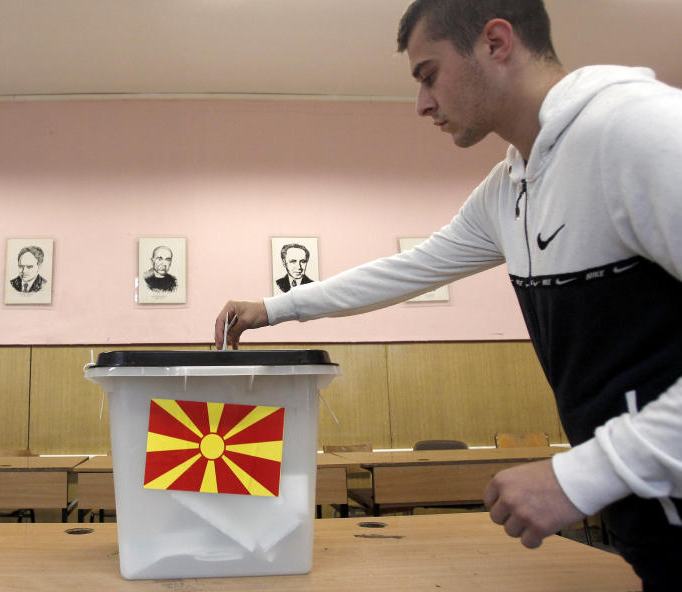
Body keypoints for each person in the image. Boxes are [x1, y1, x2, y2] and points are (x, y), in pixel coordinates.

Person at [214, 1, 681, 588]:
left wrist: (584, 474)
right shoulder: (511, 184)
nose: (421, 104)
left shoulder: (641, 129)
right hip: (654, 519)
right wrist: (274, 308)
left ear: (496, 42)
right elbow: (412, 267)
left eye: (428, 74)